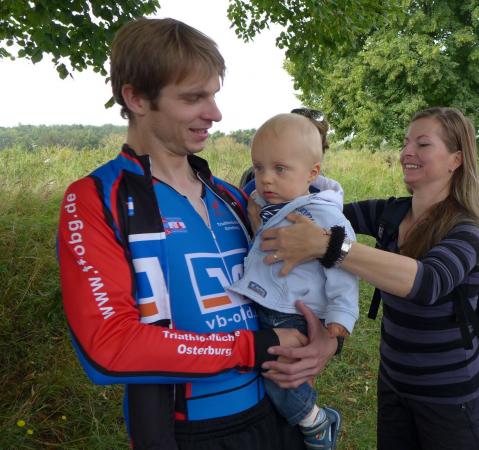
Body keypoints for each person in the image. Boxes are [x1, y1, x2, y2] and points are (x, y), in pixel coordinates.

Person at [56, 18, 336, 449]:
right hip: (188, 431)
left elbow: (299, 282)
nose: (215, 114)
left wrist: (326, 343)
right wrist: (254, 347)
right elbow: (109, 346)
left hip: (275, 418)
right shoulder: (97, 198)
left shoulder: (232, 197)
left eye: (214, 95)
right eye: (193, 98)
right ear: (136, 98)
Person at [259, 107, 479, 449]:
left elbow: (427, 282)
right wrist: (286, 161)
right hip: (393, 384)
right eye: (405, 143)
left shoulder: (468, 229)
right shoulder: (391, 213)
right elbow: (315, 210)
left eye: (422, 144)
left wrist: (329, 246)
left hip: (451, 398)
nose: (406, 153)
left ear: (456, 159)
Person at [227, 113, 359, 449]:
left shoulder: (321, 214)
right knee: (269, 371)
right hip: (270, 303)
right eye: (259, 168)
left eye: (280, 169)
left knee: (281, 374)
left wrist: (341, 317)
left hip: (294, 312)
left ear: (312, 173)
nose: (265, 179)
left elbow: (343, 269)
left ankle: (315, 421)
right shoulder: (269, 206)